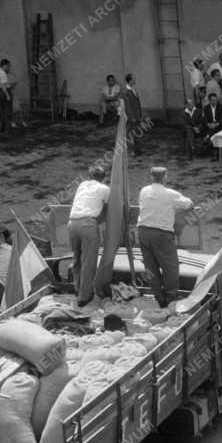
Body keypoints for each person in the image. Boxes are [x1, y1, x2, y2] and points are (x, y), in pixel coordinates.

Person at [137, 167, 195, 308]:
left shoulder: (144, 191)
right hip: (161, 234)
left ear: (151, 177)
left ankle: (158, 297)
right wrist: (175, 211)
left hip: (143, 232)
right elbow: (190, 204)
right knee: (170, 267)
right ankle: (171, 297)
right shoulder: (170, 194)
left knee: (150, 268)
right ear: (165, 177)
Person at [67, 167, 110, 307]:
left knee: (77, 258)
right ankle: (84, 297)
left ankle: (78, 289)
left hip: (72, 223)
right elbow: (113, 205)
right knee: (88, 261)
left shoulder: (82, 185)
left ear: (90, 176)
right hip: (87, 224)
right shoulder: (104, 188)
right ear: (104, 177)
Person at [120, 74, 143, 154]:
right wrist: (131, 117)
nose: (135, 80)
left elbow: (138, 103)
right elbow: (128, 106)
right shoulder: (126, 92)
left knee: (137, 132)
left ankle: (137, 149)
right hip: (132, 117)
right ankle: (131, 150)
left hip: (137, 115)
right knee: (130, 134)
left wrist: (140, 114)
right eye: (133, 79)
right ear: (130, 80)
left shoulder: (134, 89)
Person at [201, 92, 222, 158]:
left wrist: (217, 124)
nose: (215, 101)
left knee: (214, 131)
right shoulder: (206, 108)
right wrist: (208, 124)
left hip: (218, 125)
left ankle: (207, 137)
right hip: (210, 125)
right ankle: (215, 150)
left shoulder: (220, 107)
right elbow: (205, 118)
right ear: (209, 101)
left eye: (216, 100)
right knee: (212, 130)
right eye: (213, 100)